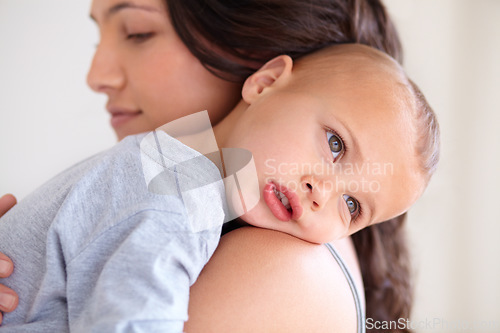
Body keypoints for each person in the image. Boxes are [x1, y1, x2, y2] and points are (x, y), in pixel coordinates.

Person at [0, 0, 439, 331]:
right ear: (265, 82)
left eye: (137, 32)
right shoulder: (175, 187)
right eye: (334, 144)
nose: (322, 192)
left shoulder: (269, 257)